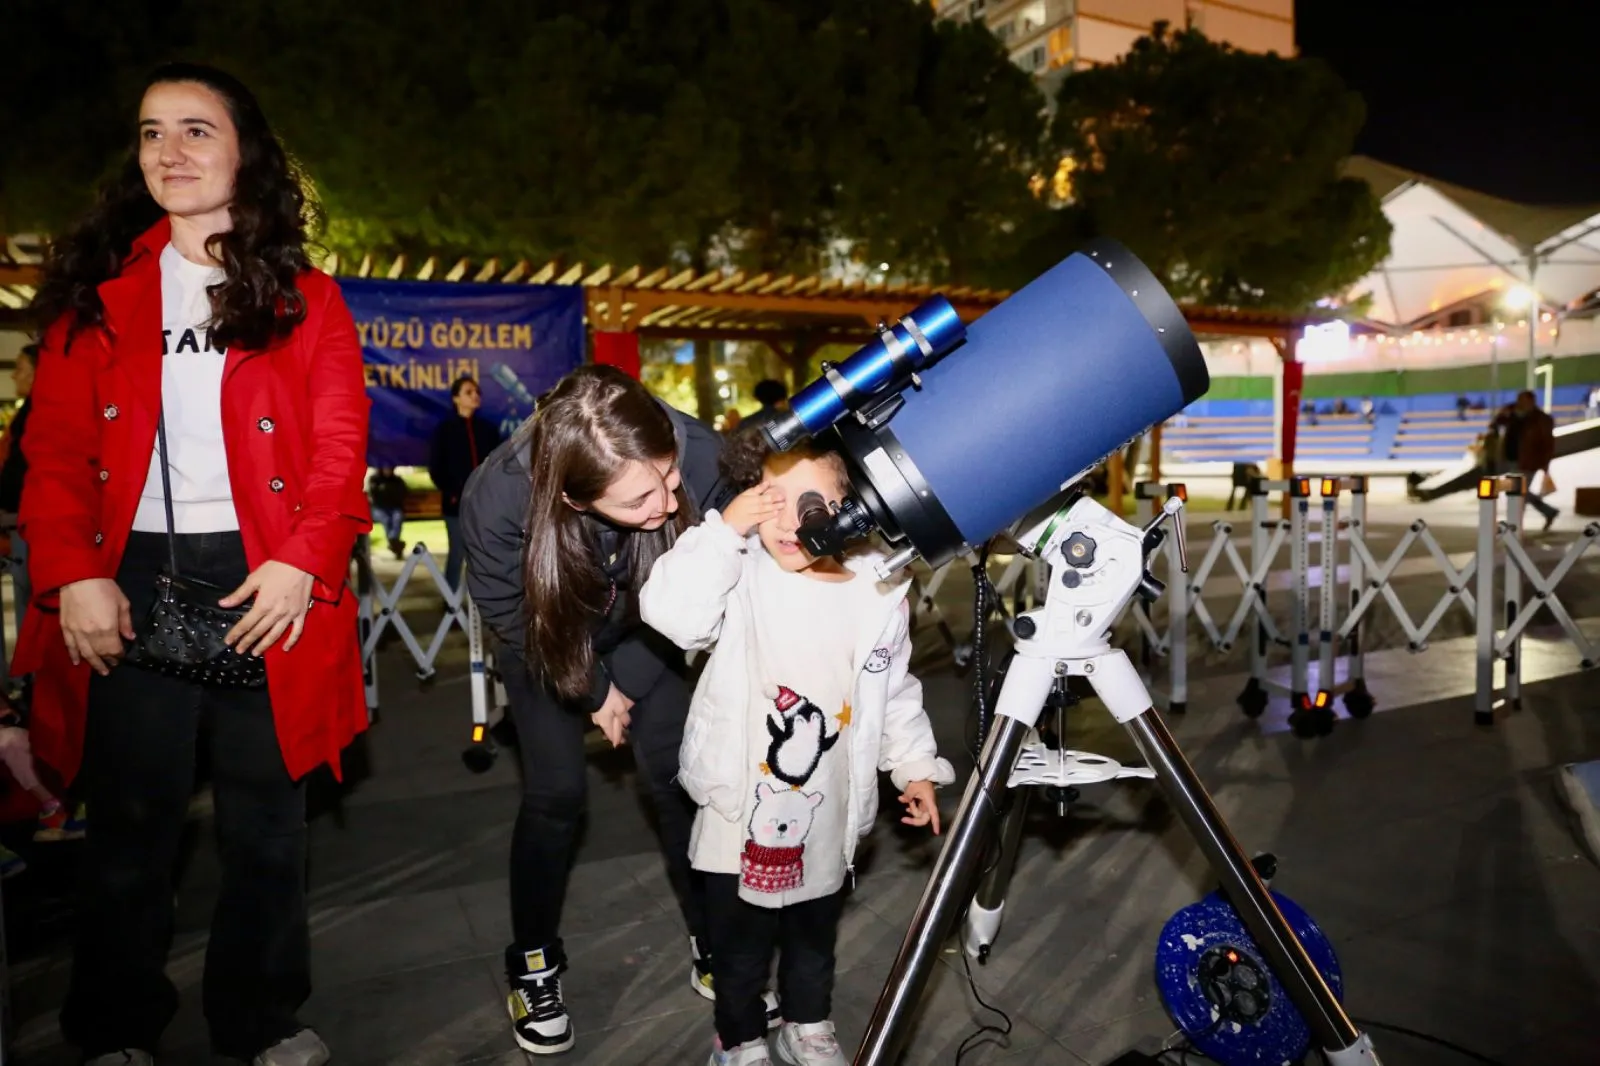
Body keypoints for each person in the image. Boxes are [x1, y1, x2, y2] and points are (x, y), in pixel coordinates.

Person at [14, 62, 371, 1066]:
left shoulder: (308, 297)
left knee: (267, 828)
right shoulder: (94, 297)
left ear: (243, 151)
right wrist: (73, 572)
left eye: (196, 130)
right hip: (124, 579)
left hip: (268, 579)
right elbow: (52, 452)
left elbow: (342, 447)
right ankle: (114, 1026)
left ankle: (261, 1020)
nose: (170, 150)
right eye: (150, 133)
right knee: (130, 829)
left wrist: (304, 561)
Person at [460, 364, 777, 1056]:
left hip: (649, 627)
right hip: (547, 635)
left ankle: (714, 943)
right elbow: (512, 615)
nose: (665, 505)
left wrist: (622, 680)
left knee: (673, 776)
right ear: (574, 499)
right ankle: (534, 965)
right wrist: (593, 688)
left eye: (668, 483)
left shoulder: (694, 451)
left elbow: (715, 571)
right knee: (555, 794)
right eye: (638, 500)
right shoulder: (499, 498)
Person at [639, 431, 954, 1066]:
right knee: (739, 941)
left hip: (826, 803)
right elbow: (670, 614)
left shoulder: (877, 589)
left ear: (849, 506)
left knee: (814, 934)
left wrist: (915, 766)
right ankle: (740, 1036)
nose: (787, 521)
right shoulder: (741, 570)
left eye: (807, 502)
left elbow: (894, 688)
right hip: (738, 805)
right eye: (768, 499)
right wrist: (725, 532)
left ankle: (808, 1022)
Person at [428, 375, 501, 591]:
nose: (475, 396)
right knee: (457, 553)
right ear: (456, 398)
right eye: (469, 392)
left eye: (477, 392)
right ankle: (450, 605)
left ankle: (490, 606)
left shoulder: (488, 429)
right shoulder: (445, 430)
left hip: (485, 505)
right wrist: (452, 491)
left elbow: (497, 465)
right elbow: (436, 468)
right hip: (455, 505)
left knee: (487, 554)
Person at [1492, 390, 1559, 530]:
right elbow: (1495, 425)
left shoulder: (1541, 419)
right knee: (1519, 492)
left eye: (1523, 400)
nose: (1520, 403)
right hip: (1511, 458)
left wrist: (1545, 463)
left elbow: (1547, 443)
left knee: (1518, 492)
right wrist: (1503, 414)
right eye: (1519, 400)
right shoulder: (1511, 414)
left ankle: (1515, 525)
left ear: (1531, 401)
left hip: (1529, 461)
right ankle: (1548, 511)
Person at [366, 466, 409, 559]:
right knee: (386, 519)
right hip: (379, 509)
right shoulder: (374, 480)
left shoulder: (398, 480)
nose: (387, 470)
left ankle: (393, 541)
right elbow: (373, 496)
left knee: (397, 518)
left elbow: (403, 493)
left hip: (394, 508)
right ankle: (395, 543)